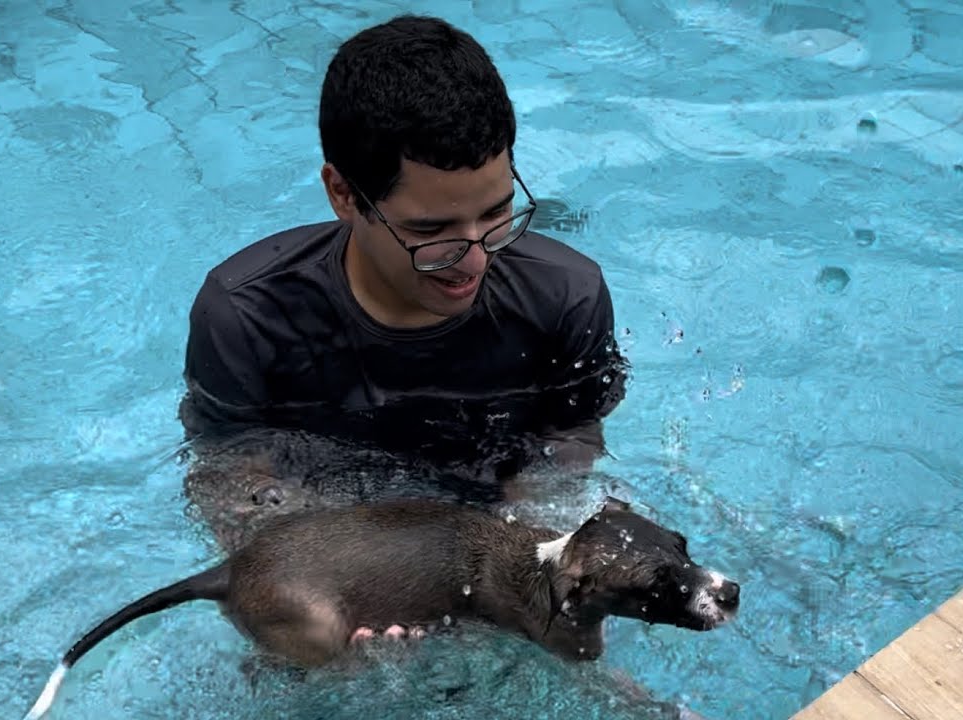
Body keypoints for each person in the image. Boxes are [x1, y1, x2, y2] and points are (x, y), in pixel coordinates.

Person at [177, 14, 629, 551]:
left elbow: (570, 449)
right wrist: (351, 576)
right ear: (343, 194)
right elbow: (230, 483)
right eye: (430, 230)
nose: (475, 260)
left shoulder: (565, 297)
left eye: (496, 214)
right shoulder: (247, 317)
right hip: (332, 530)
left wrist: (519, 557)